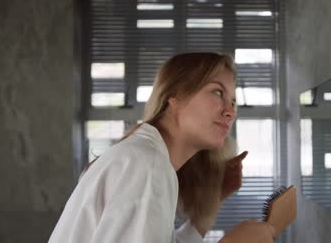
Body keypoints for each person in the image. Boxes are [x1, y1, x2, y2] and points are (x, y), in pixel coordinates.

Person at [48, 52, 275, 242]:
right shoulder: (147, 164)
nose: (231, 111)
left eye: (233, 101)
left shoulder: (145, 159)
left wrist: (215, 200)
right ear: (173, 96)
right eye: (217, 92)